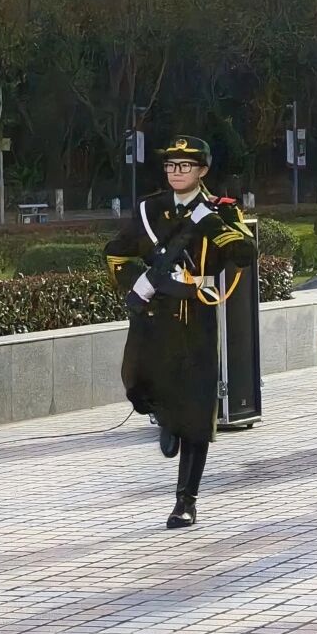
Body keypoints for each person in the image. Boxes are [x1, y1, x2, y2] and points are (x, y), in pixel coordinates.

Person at [104, 136, 258, 529]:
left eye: (185, 166)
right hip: (154, 313)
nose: (176, 172)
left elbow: (245, 254)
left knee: (196, 411)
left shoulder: (221, 210)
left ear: (202, 170)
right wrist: (136, 281)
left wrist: (211, 223)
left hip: (195, 315)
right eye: (171, 165)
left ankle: (185, 501)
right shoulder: (150, 209)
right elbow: (115, 252)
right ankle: (164, 415)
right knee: (136, 382)